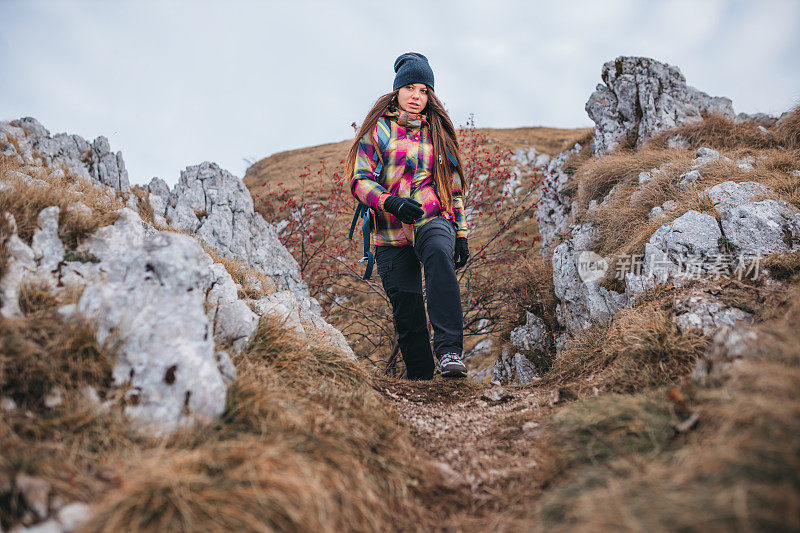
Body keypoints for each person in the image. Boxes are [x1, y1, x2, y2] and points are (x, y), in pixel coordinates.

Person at [344, 52, 470, 380]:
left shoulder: (438, 132)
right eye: (410, 89)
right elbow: (359, 180)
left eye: (424, 90)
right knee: (407, 309)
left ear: (431, 95)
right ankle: (422, 382)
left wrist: (461, 232)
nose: (417, 97)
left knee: (440, 256)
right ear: (398, 91)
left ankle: (450, 352)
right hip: (388, 230)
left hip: (432, 217)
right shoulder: (379, 130)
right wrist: (391, 203)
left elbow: (454, 187)